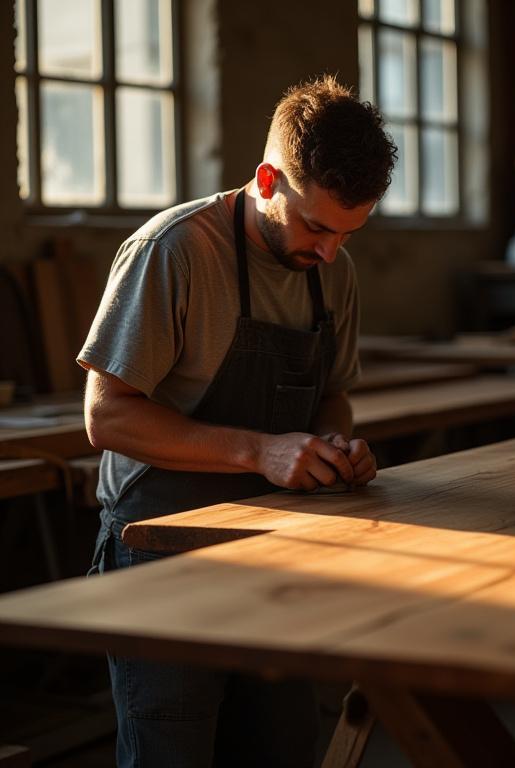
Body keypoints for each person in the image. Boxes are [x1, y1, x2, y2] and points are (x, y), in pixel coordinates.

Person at [78, 74, 397, 768]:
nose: (330, 252)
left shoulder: (331, 267)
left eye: (349, 233)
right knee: (176, 752)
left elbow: (332, 394)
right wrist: (260, 451)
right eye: (316, 226)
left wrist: (332, 445)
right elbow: (107, 419)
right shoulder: (177, 251)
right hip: (161, 551)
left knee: (280, 749)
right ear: (265, 180)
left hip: (275, 548)